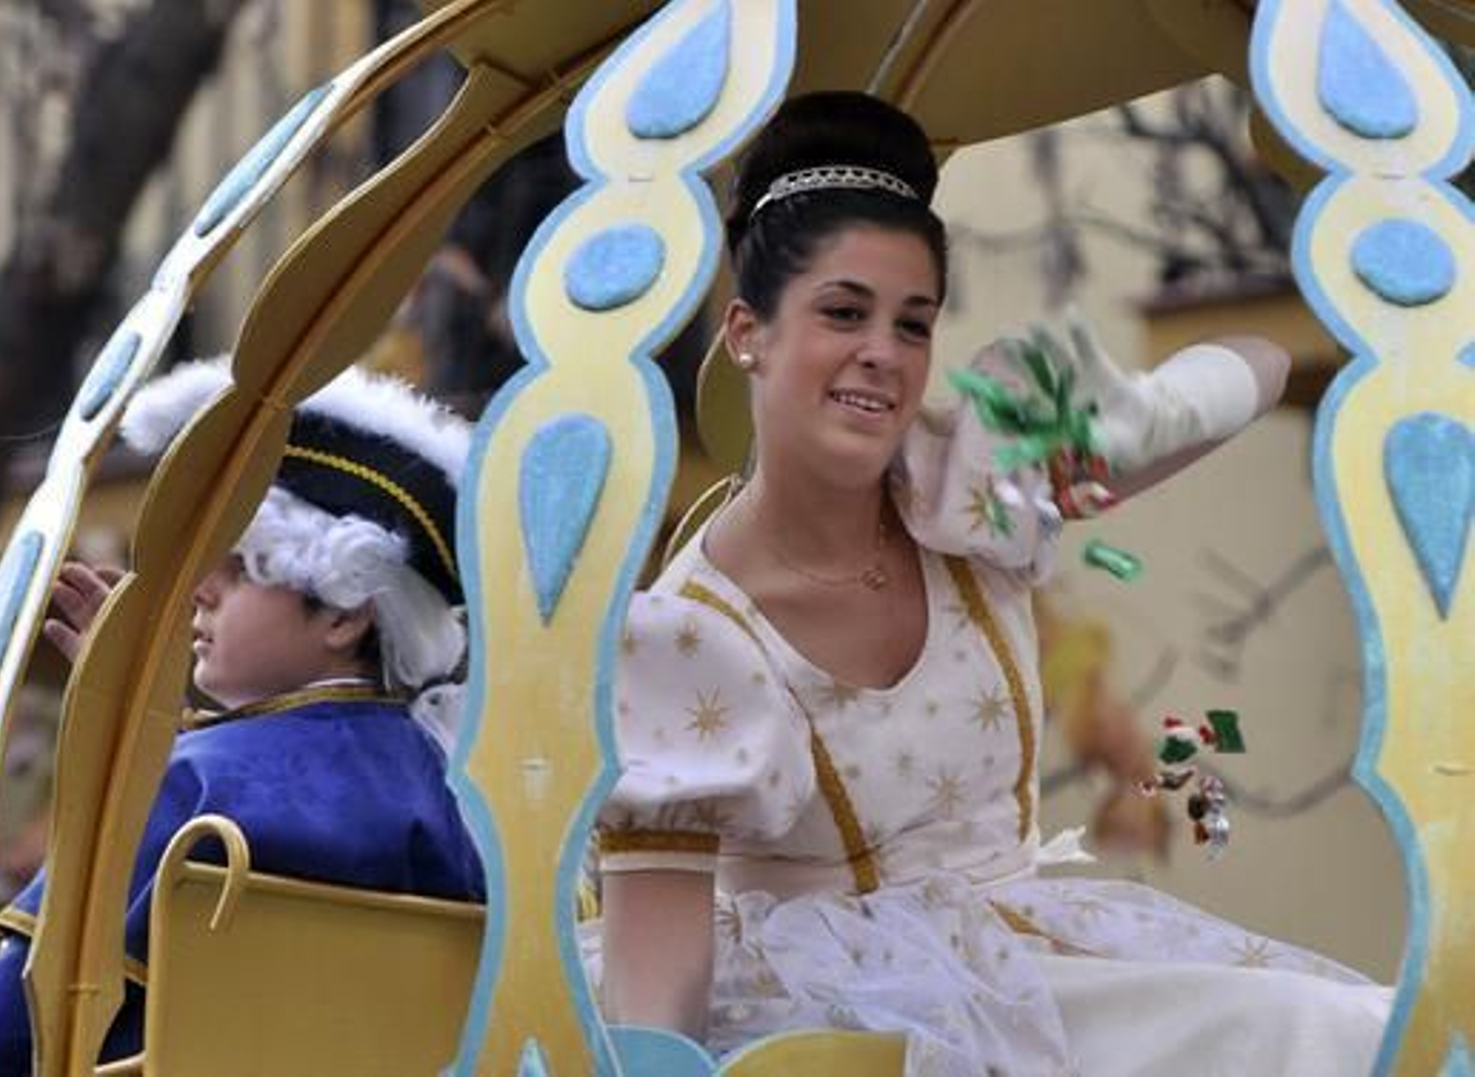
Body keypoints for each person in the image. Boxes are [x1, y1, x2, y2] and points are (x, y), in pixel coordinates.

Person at [588, 92, 1389, 1076]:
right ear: (747, 332)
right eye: (843, 312)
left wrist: (1142, 419)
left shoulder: (973, 491)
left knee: (1345, 1033)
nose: (882, 353)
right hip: (844, 1024)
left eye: (913, 323)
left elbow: (1262, 361)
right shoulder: (682, 638)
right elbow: (653, 1004)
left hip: (1033, 964)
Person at [0, 360, 484, 1075]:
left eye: (240, 567)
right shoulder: (464, 801)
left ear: (344, 610)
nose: (198, 591)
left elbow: (7, 1024)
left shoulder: (186, 784)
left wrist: (124, 761)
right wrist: (139, 722)